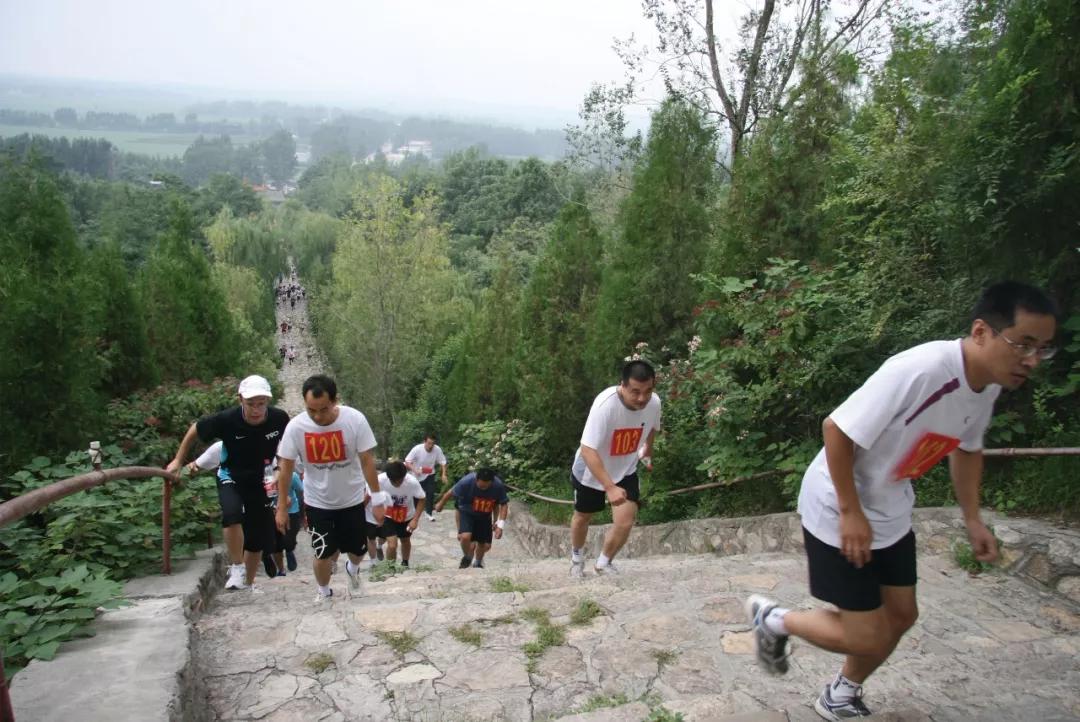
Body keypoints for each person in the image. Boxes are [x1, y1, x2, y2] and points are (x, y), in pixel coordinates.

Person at [745, 281, 1058, 721]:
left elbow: (966, 448)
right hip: (838, 506)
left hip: (890, 507)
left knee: (902, 614)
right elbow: (836, 428)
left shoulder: (987, 384)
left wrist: (973, 520)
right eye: (1023, 344)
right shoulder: (923, 369)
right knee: (867, 636)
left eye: (1043, 348)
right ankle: (773, 620)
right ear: (982, 331)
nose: (1031, 360)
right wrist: (851, 511)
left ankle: (840, 694)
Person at [166, 375, 289, 591]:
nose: (256, 410)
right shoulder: (227, 419)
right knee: (231, 514)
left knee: (256, 536)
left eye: (261, 404)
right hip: (230, 474)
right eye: (250, 404)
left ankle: (247, 585)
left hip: (263, 477)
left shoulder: (280, 418)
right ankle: (237, 567)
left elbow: (288, 449)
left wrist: (280, 472)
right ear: (240, 399)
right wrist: (178, 460)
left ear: (268, 401)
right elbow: (196, 429)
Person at [274, 374, 388, 602]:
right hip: (318, 501)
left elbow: (367, 461)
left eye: (323, 409)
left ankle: (352, 569)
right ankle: (324, 591)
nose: (317, 416)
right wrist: (281, 507)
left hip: (353, 499)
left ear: (335, 400)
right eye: (311, 410)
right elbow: (285, 468)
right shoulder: (296, 428)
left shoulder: (354, 420)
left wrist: (377, 499)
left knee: (357, 550)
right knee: (322, 551)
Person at [569, 359, 661, 578]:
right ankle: (577, 559)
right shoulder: (605, 405)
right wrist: (609, 487)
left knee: (626, 520)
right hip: (591, 471)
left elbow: (651, 427)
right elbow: (588, 449)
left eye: (647, 391)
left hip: (626, 469)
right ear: (622, 385)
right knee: (583, 517)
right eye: (635, 392)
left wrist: (647, 450)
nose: (642, 398)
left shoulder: (654, 402)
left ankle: (603, 563)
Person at [433, 468, 509, 569]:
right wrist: (441, 504)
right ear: (476, 480)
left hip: (484, 515)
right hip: (467, 512)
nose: (483, 488)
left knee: (483, 544)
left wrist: (500, 525)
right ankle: (467, 557)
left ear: (491, 482)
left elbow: (503, 504)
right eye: (481, 486)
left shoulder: (498, 485)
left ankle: (478, 562)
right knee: (465, 537)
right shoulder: (467, 481)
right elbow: (450, 492)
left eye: (486, 486)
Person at [367, 461, 426, 567]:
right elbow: (368, 494)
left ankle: (405, 562)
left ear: (404, 476)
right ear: (388, 477)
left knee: (405, 539)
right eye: (394, 481)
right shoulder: (380, 480)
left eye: (400, 480)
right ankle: (390, 568)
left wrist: (415, 520)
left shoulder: (412, 482)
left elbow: (422, 499)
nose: (397, 484)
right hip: (388, 516)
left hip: (407, 516)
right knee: (392, 544)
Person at [263, 463, 304, 578]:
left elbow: (300, 489)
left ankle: (290, 549)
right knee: (276, 544)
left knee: (289, 538)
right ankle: (281, 570)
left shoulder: (292, 475)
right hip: (272, 512)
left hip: (292, 511)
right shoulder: (265, 477)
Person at [405, 434, 448, 522]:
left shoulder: (437, 449)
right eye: (429, 443)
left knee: (430, 493)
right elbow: (407, 461)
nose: (430, 446)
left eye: (432, 444)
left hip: (429, 474)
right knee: (416, 495)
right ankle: (414, 514)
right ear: (424, 442)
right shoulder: (417, 449)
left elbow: (443, 462)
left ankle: (428, 513)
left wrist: (443, 474)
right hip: (417, 475)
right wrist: (415, 469)